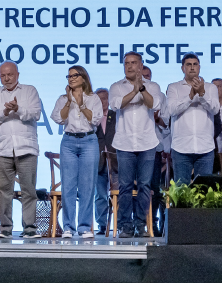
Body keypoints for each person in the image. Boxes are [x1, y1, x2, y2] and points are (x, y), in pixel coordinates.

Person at [0, 61, 43, 237]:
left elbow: (36, 113)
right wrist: (5, 112)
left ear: (17, 74)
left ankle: (30, 228)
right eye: (3, 75)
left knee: (29, 190)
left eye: (10, 75)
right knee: (4, 192)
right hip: (2, 149)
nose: (7, 78)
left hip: (27, 147)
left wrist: (18, 108)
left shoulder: (29, 90)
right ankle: (6, 229)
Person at [108, 52, 164, 237]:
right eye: (126, 63)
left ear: (141, 66)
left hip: (147, 142)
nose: (130, 66)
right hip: (124, 142)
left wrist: (142, 89)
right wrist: (133, 91)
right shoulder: (116, 86)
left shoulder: (153, 86)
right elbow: (117, 105)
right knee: (125, 186)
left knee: (145, 186)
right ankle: (125, 225)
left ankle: (140, 224)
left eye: (133, 63)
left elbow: (154, 104)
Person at [51, 65, 103, 236]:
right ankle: (68, 227)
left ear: (83, 78)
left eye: (75, 75)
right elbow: (59, 118)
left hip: (89, 141)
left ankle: (84, 227)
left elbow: (95, 120)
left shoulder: (93, 98)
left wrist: (80, 104)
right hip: (69, 142)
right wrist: (69, 101)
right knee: (68, 186)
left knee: (88, 186)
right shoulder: (62, 98)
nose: (71, 78)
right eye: (69, 76)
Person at [164, 53, 218, 183]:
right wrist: (190, 96)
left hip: (205, 147)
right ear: (183, 68)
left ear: (199, 67)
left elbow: (215, 109)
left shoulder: (211, 87)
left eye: (195, 64)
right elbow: (171, 110)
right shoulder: (174, 87)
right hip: (181, 147)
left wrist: (202, 93)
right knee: (181, 192)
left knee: (204, 192)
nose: (192, 67)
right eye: (188, 65)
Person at [94, 88, 116, 235]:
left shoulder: (116, 115)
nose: (103, 101)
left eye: (105, 98)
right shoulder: (92, 116)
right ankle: (102, 224)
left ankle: (120, 223)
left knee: (118, 193)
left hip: (115, 159)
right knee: (100, 194)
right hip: (98, 160)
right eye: (100, 99)